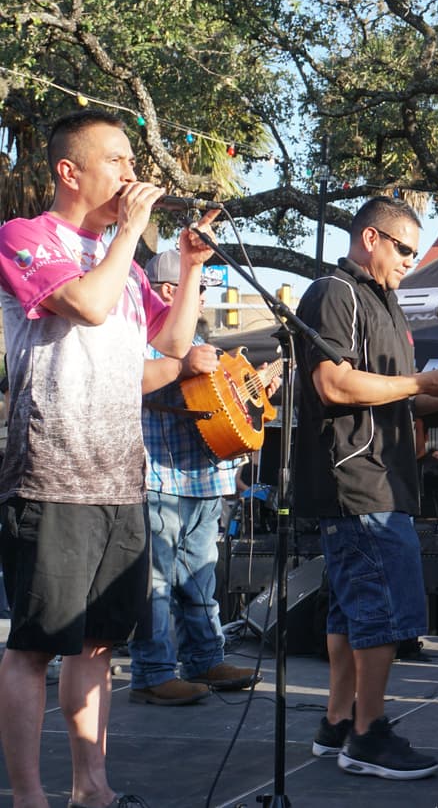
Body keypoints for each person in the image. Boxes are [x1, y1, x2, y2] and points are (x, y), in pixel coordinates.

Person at [0, 108, 213, 808]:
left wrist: (188, 267)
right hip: (51, 476)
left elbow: (171, 351)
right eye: (119, 160)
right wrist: (128, 233)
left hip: (122, 481)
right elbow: (87, 307)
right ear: (70, 170)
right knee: (35, 645)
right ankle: (28, 794)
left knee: (96, 646)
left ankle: (90, 786)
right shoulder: (27, 237)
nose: (132, 173)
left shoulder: (125, 265)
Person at [294, 195, 438, 780]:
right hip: (358, 477)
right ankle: (367, 734)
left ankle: (339, 721)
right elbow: (333, 384)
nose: (410, 259)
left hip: (383, 475)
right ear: (370, 238)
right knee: (377, 608)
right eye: (404, 248)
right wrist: (416, 381)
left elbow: (399, 393)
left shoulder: (386, 303)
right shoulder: (336, 292)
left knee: (352, 609)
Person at [126, 251, 264, 706]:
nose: (203, 297)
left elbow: (218, 408)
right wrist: (184, 366)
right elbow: (136, 383)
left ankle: (206, 658)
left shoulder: (200, 339)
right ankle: (152, 672)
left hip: (203, 479)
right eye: (198, 288)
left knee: (200, 580)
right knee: (156, 584)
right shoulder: (141, 337)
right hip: (160, 477)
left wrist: (251, 391)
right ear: (169, 289)